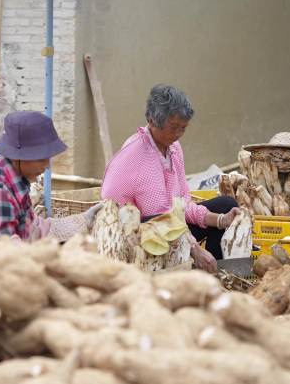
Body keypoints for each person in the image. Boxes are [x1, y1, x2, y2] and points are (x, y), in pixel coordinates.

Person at [101, 84, 240, 272]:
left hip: (168, 225)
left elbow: (182, 205)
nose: (178, 134)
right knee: (160, 223)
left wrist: (220, 219)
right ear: (152, 121)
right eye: (174, 127)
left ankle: (217, 275)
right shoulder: (137, 156)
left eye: (183, 128)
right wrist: (195, 249)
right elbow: (161, 218)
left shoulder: (173, 148)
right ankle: (193, 268)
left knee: (225, 204)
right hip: (137, 234)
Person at [0, 110, 101, 240]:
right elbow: (3, 256)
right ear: (18, 157)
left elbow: (35, 228)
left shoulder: (16, 182)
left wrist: (83, 221)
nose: (47, 166)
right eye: (40, 159)